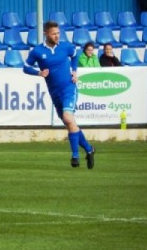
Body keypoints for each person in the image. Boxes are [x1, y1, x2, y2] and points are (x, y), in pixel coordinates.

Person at [23, 21, 95, 169]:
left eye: (58, 33)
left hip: (69, 88)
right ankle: (89, 149)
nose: (57, 36)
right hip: (54, 92)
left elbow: (75, 55)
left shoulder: (65, 46)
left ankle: (75, 156)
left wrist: (74, 71)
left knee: (68, 118)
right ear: (46, 34)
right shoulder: (37, 51)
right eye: (54, 33)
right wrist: (39, 73)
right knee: (70, 124)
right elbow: (25, 67)